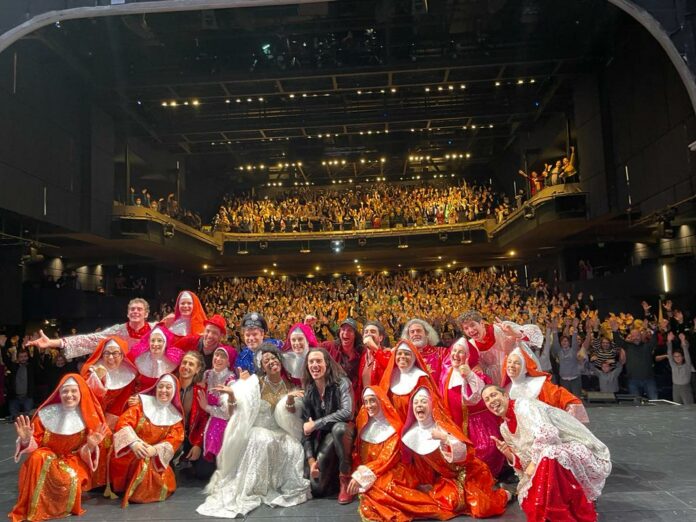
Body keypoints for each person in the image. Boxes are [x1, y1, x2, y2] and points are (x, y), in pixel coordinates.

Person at [198, 346, 310, 518]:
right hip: (258, 430)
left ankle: (277, 484)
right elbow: (236, 411)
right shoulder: (255, 383)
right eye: (266, 361)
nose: (271, 362)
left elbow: (291, 415)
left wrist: (289, 400)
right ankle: (255, 487)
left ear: (280, 361)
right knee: (262, 440)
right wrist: (232, 395)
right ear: (262, 367)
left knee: (294, 446)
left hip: (278, 430)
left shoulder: (288, 385)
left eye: (273, 358)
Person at [482, 385, 611, 522]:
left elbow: (548, 433)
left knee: (550, 453)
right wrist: (509, 454)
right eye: (487, 399)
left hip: (578, 448)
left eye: (493, 395)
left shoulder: (524, 405)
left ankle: (573, 511)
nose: (491, 401)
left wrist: (533, 463)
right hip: (545, 457)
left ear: (505, 395)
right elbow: (525, 463)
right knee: (530, 500)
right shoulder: (504, 428)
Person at [10, 374, 109, 522]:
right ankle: (36, 507)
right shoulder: (45, 415)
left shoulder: (89, 417)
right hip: (46, 459)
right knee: (38, 457)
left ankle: (55, 507)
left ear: (81, 392)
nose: (69, 395)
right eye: (65, 391)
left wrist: (90, 446)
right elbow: (35, 444)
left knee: (68, 480)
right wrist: (26, 439)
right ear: (59, 393)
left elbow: (85, 453)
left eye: (73, 391)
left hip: (73, 461)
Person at [400, 387, 509, 519]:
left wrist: (444, 438)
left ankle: (506, 494)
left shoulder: (443, 426)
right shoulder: (410, 435)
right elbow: (421, 467)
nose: (419, 405)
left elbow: (466, 455)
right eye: (416, 403)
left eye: (423, 401)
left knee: (482, 508)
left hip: (469, 472)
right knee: (449, 501)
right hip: (446, 479)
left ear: (431, 405)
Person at [348, 386, 444, 522]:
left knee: (382, 489)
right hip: (375, 471)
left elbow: (385, 460)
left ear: (381, 402)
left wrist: (361, 475)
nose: (369, 405)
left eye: (373, 400)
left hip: (393, 470)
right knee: (372, 491)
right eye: (366, 402)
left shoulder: (394, 429)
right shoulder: (364, 425)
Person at [110, 373, 185, 507]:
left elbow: (175, 439)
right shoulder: (141, 406)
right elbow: (123, 423)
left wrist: (155, 450)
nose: (163, 390)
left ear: (174, 391)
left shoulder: (175, 417)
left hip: (154, 457)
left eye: (168, 387)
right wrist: (134, 443)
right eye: (160, 387)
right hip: (131, 452)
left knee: (152, 476)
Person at [440, 339, 505, 477]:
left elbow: (477, 397)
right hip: (454, 423)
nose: (456, 354)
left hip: (479, 424)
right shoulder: (447, 373)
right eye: (454, 351)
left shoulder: (477, 374)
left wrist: (469, 375)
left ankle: (487, 479)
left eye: (461, 352)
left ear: (468, 356)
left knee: (485, 450)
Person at [301, 347, 355, 503]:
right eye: (311, 362)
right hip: (326, 438)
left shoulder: (342, 382)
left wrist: (317, 424)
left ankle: (345, 480)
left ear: (327, 364)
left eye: (318, 361)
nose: (314, 365)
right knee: (316, 489)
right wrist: (311, 461)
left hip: (346, 433)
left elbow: (347, 413)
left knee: (339, 429)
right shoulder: (309, 391)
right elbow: (306, 430)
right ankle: (333, 480)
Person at [27, 298, 156, 359]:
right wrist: (52, 342)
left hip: (151, 377)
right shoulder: (118, 331)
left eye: (139, 309)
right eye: (132, 309)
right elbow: (88, 340)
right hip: (125, 375)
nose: (135, 311)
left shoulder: (156, 330)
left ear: (146, 314)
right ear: (127, 314)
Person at [503, 348, 589, 423]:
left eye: (517, 363)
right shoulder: (504, 389)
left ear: (525, 368)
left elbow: (565, 398)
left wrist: (566, 423)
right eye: (509, 362)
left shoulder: (538, 385)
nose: (511, 365)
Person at [458, 311, 540, 386]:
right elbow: (479, 369)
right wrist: (478, 368)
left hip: (519, 373)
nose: (471, 330)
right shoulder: (471, 345)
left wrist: (515, 334)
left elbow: (535, 336)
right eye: (466, 328)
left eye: (472, 325)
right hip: (498, 383)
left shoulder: (501, 328)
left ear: (482, 323)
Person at [379, 339, 439, 421]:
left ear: (414, 358)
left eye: (407, 354)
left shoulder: (421, 378)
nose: (402, 356)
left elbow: (429, 408)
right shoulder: (390, 375)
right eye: (399, 353)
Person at [197, 345, 237, 462]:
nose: (218, 358)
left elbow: (227, 414)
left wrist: (206, 407)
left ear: (229, 362)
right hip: (204, 417)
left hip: (221, 422)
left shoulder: (231, 381)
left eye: (223, 357)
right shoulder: (207, 374)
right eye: (216, 355)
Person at [175, 351, 209, 478]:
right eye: (184, 362)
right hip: (170, 436)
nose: (186, 366)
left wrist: (198, 444)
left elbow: (204, 419)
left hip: (191, 437)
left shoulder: (200, 390)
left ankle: (186, 460)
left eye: (191, 364)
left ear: (197, 370)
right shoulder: (169, 385)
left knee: (204, 471)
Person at [611, 318, 658, 400]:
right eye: (633, 336)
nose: (636, 337)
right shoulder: (627, 346)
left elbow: (654, 340)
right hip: (633, 380)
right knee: (636, 403)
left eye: (637, 335)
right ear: (631, 337)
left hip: (649, 379)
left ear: (641, 336)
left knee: (654, 401)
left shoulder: (647, 346)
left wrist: (654, 330)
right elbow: (618, 341)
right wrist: (615, 331)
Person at [128, 326, 184, 391]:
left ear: (165, 342)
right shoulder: (140, 359)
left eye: (159, 340)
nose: (155, 344)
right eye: (153, 340)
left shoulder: (173, 362)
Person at [400, 318, 450, 386]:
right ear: (408, 337)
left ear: (427, 333)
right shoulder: (403, 356)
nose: (415, 334)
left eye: (418, 331)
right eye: (412, 332)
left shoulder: (442, 352)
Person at [323, 318, 362, 393]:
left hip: (354, 395)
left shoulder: (361, 353)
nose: (345, 333)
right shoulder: (330, 347)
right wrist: (307, 327)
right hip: (333, 393)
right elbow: (311, 348)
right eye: (343, 329)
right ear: (339, 332)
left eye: (349, 330)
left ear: (355, 335)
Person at [357, 320, 392, 400]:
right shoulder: (362, 357)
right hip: (367, 403)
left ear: (380, 338)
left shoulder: (387, 354)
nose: (369, 334)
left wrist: (374, 348)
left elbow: (388, 367)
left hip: (382, 402)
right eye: (366, 332)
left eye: (373, 331)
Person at [282, 322, 319, 386]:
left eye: (300, 339)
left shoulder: (317, 356)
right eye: (293, 340)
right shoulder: (286, 358)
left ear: (307, 340)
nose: (296, 343)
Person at [6, 349, 37, 422]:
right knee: (14, 419)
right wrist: (3, 347)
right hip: (14, 397)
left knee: (28, 419)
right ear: (18, 358)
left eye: (25, 356)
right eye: (21, 357)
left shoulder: (31, 367)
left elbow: (36, 359)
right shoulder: (14, 367)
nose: (23, 358)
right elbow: (6, 361)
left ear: (28, 357)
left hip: (27, 397)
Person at [667, 332, 694, 404]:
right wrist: (669, 341)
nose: (677, 358)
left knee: (689, 406)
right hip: (675, 388)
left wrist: (683, 341)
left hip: (685, 388)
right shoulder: (673, 365)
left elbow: (686, 353)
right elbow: (669, 353)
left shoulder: (687, 365)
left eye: (679, 356)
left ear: (682, 357)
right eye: (675, 356)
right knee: (677, 406)